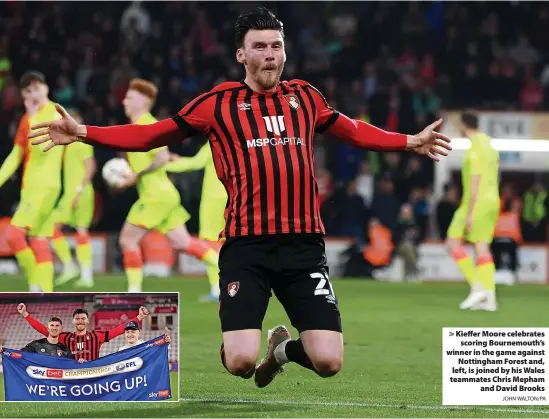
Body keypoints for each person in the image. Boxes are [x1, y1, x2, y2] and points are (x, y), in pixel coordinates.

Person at [29, 7, 451, 387]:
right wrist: (84, 132)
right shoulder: (217, 104)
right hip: (246, 248)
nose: (270, 54)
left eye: (276, 46)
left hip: (304, 247)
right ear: (241, 56)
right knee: (241, 363)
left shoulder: (305, 96)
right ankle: (247, 351)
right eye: (259, 46)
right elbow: (152, 135)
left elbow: (354, 130)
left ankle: (281, 351)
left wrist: (409, 141)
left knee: (328, 361)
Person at [114, 78, 219, 293]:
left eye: (130, 97)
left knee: (127, 240)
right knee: (183, 243)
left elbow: (161, 157)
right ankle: (228, 268)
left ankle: (133, 292)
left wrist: (136, 175)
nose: (124, 101)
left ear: (144, 101)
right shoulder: (140, 125)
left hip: (156, 196)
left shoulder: (147, 124)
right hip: (165, 195)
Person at [0, 71, 64, 292]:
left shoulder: (54, 113)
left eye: (36, 88)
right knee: (38, 239)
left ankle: (35, 284)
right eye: (28, 91)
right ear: (22, 94)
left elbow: (44, 147)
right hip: (31, 188)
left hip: (45, 186)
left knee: (14, 235)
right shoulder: (27, 119)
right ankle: (46, 294)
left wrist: (33, 115)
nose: (33, 94)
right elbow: (16, 155)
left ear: (46, 88)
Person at [446, 111, 500, 311]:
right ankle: (490, 298)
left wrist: (470, 212)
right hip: (492, 200)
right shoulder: (489, 144)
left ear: (463, 124)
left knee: (453, 242)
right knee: (482, 247)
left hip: (475, 202)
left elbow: (475, 179)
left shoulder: (475, 147)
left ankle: (478, 287)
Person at [166, 142, 228, 301]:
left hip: (213, 199)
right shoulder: (238, 140)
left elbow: (195, 163)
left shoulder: (214, 142)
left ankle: (217, 290)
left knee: (211, 243)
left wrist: (167, 164)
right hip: (234, 196)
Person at [51, 109, 97, 288]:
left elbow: (90, 167)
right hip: (71, 193)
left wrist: (78, 190)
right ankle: (72, 268)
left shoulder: (82, 141)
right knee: (55, 227)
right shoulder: (70, 143)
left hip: (80, 192)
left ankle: (85, 274)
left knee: (79, 230)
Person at [18, 303, 149, 361]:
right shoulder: (65, 337)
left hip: (93, 375)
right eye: (77, 319)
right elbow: (43, 329)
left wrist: (139, 318)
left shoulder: (96, 336)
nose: (80, 321)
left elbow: (118, 330)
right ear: (73, 321)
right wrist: (25, 314)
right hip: (72, 376)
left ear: (87, 321)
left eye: (83, 318)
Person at [0, 317, 76, 360]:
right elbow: (20, 354)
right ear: (47, 329)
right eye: (52, 325)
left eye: (57, 326)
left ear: (61, 329)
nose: (54, 328)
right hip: (39, 387)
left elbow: (71, 367)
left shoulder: (65, 349)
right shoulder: (36, 345)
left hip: (57, 387)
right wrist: (4, 351)